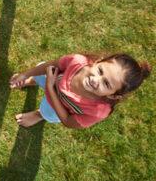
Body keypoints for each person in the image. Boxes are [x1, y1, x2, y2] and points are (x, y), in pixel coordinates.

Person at [10, 53, 150, 128]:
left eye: (106, 84)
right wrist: (26, 74)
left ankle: (39, 115)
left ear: (113, 96)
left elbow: (68, 121)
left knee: (47, 112)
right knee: (40, 74)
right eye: (100, 70)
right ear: (98, 61)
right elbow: (52, 65)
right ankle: (32, 82)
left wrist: (50, 89)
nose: (96, 80)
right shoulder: (77, 62)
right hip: (52, 78)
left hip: (56, 108)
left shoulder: (98, 111)